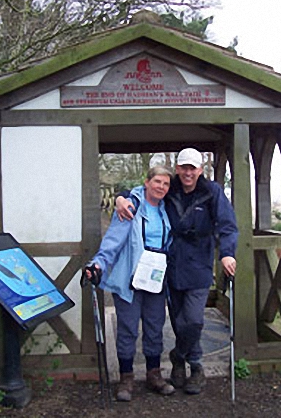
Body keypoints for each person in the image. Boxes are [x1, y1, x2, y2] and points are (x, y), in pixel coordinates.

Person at [115, 148, 238, 395]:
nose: (188, 173)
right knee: (178, 320)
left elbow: (227, 225)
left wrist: (227, 252)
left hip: (200, 264)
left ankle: (187, 360)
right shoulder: (171, 188)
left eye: (193, 168)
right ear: (178, 169)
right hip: (170, 265)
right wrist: (121, 197)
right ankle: (184, 367)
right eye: (184, 167)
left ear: (201, 170)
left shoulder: (212, 192)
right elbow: (144, 191)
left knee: (193, 320)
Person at [84, 165, 175, 402]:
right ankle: (126, 377)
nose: (161, 187)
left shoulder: (167, 210)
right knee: (127, 328)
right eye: (157, 182)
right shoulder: (130, 207)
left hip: (156, 279)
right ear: (146, 182)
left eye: (166, 184)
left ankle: (154, 375)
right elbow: (113, 239)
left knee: (155, 327)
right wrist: (98, 264)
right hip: (131, 278)